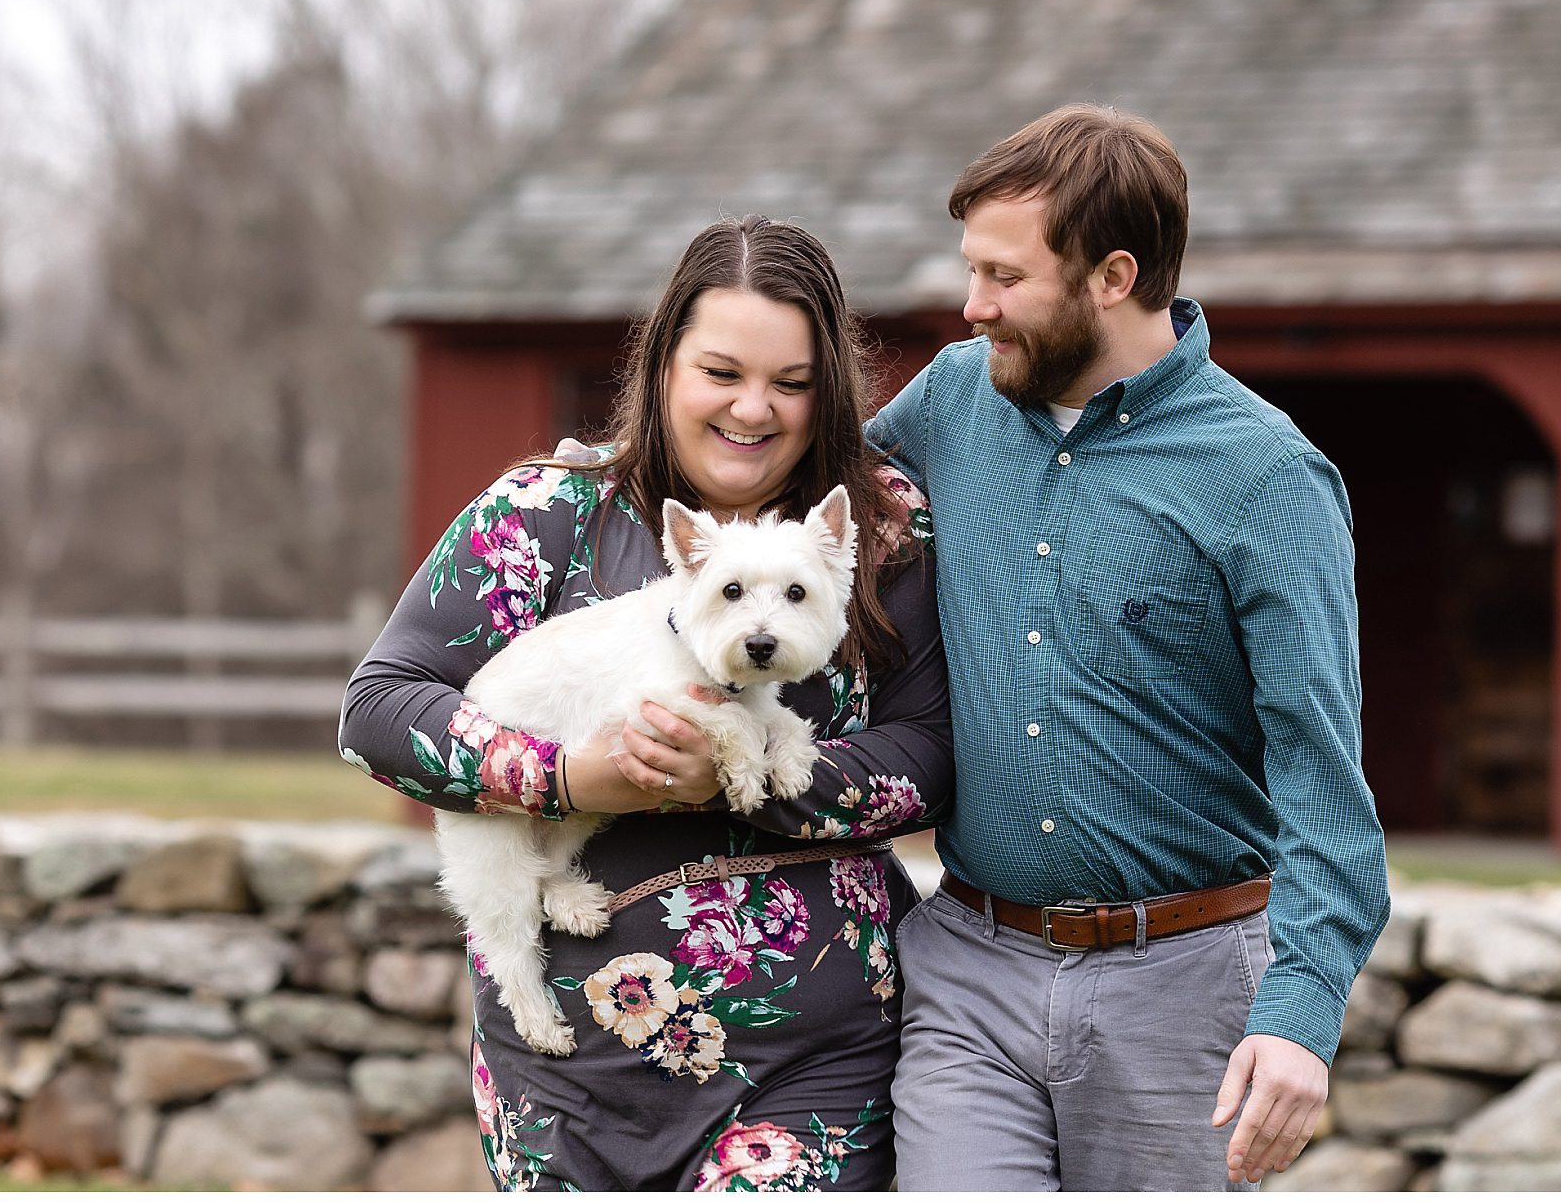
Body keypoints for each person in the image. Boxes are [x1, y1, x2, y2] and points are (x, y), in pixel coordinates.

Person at [341, 215, 950, 1191]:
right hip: (568, 1069)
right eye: (721, 371)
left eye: (790, 383)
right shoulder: (543, 515)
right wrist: (571, 777)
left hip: (811, 1066)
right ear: (664, 362)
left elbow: (928, 759)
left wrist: (741, 778)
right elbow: (378, 711)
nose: (753, 408)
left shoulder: (878, 531)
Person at [867, 104, 1390, 1191]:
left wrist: (1298, 1016)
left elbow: (1320, 774)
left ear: (1111, 275)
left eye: (1003, 277)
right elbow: (783, 490)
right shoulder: (954, 395)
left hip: (1186, 986)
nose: (972, 307)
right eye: (973, 271)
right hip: (968, 965)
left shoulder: (1265, 477)